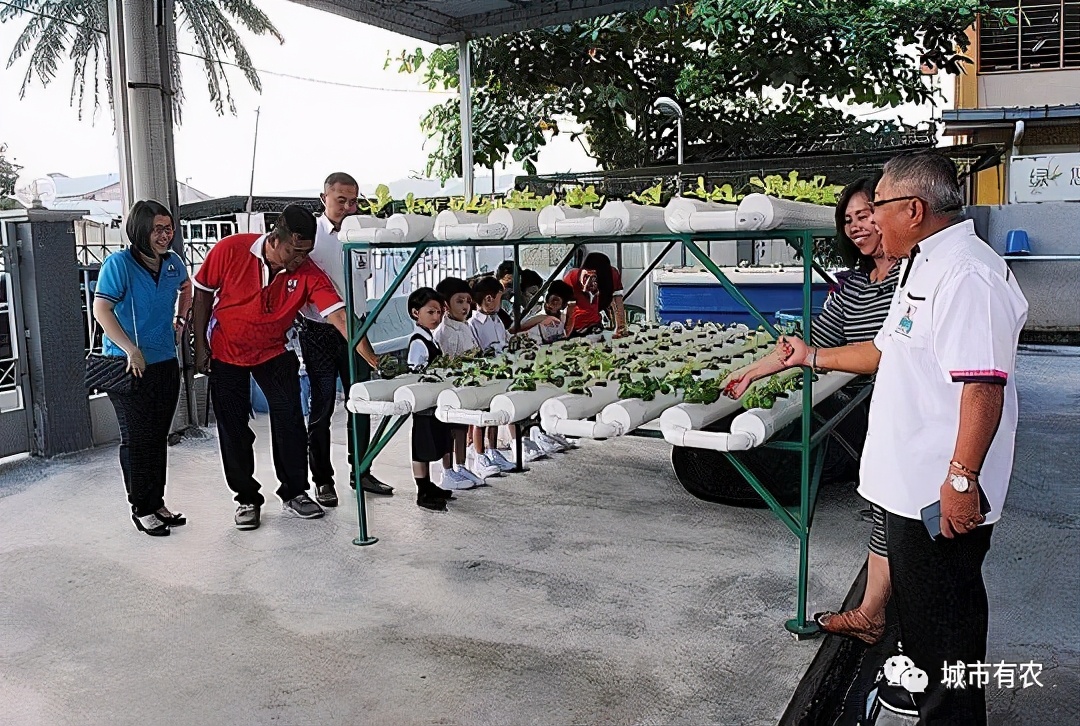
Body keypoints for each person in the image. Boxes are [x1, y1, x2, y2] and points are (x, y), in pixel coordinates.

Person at [722, 151, 1027, 723]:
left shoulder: (967, 275)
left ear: (913, 209)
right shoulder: (922, 263)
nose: (867, 223)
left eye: (877, 208)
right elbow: (887, 348)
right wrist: (810, 356)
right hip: (910, 485)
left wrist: (962, 477)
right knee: (929, 624)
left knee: (948, 632)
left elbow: (982, 386)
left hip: (941, 490)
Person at [193, 205, 367, 531]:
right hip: (227, 351)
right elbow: (202, 295)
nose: (301, 258)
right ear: (275, 239)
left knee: (289, 418)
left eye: (307, 252)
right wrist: (201, 345)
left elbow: (338, 315)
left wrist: (371, 358)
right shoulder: (231, 249)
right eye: (294, 251)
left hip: (274, 351)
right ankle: (246, 498)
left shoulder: (308, 272)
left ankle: (294, 492)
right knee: (233, 428)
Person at [802, 175, 902, 645]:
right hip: (868, 407)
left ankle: (877, 615)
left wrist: (812, 357)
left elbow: (883, 352)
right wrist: (760, 367)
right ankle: (873, 613)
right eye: (848, 220)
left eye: (864, 215)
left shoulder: (911, 276)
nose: (857, 226)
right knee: (883, 507)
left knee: (899, 509)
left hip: (903, 406)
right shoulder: (857, 284)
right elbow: (818, 339)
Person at [93, 200, 191, 537]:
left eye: (168, 228)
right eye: (157, 230)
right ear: (140, 231)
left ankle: (157, 501)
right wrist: (130, 349)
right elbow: (101, 309)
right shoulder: (119, 264)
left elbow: (186, 288)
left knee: (157, 436)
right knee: (137, 437)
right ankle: (141, 507)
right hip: (127, 365)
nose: (165, 236)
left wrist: (180, 317)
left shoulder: (173, 263)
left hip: (164, 360)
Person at [299, 172, 392, 508]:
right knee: (321, 408)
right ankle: (322, 480)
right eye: (341, 200)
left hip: (357, 327)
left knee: (362, 404)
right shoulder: (310, 236)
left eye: (354, 201)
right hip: (319, 330)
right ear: (324, 197)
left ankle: (361, 470)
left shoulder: (363, 234)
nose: (349, 207)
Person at [434, 276, 497, 485]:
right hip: (449, 390)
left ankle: (461, 466)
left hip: (466, 387)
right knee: (448, 432)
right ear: (446, 305)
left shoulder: (465, 326)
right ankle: (447, 471)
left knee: (461, 428)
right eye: (459, 301)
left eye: (468, 302)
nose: (465, 307)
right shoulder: (442, 332)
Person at [405, 288, 457, 511]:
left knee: (435, 441)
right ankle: (422, 490)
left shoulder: (430, 338)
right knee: (422, 445)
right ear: (416, 312)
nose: (436, 317)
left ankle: (429, 485)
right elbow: (414, 372)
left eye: (439, 312)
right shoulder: (418, 341)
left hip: (433, 402)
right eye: (431, 312)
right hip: (423, 404)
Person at [466, 275, 525, 470]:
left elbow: (505, 339)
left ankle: (492, 450)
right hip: (484, 373)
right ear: (489, 299)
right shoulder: (473, 323)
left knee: (495, 414)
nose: (501, 301)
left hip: (501, 371)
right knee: (480, 416)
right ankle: (479, 453)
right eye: (500, 297)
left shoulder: (497, 319)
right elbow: (476, 349)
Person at [564, 252, 627, 338]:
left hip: (595, 324)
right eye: (587, 276)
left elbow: (617, 302)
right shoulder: (571, 277)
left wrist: (621, 328)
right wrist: (566, 333)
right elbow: (569, 310)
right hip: (575, 325)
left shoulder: (613, 274)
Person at [525, 280, 574, 345]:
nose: (553, 303)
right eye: (554, 300)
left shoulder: (563, 317)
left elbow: (564, 336)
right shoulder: (535, 316)